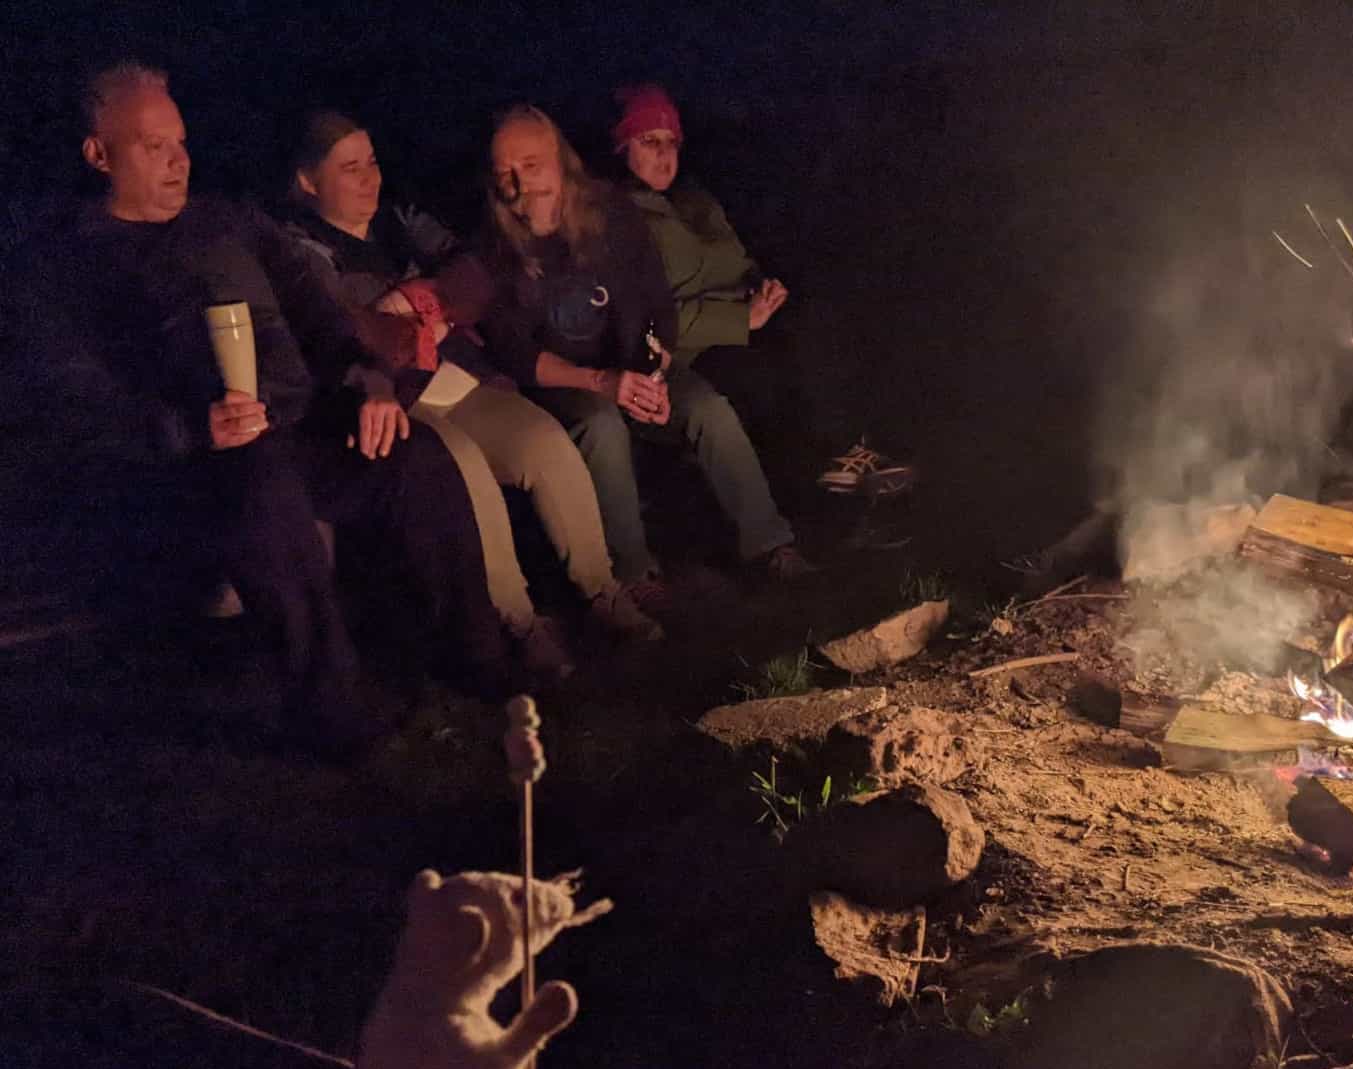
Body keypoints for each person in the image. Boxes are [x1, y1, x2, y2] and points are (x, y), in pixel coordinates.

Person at [37, 63, 516, 758]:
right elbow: (77, 397)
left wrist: (368, 384)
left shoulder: (228, 221)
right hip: (202, 458)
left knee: (414, 456)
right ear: (99, 154)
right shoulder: (72, 264)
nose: (180, 161)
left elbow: (322, 323)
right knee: (262, 492)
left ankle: (475, 654)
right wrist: (190, 428)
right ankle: (331, 709)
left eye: (182, 142)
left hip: (303, 426)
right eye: (155, 147)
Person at [281, 111, 662, 649]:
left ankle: (603, 591)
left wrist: (419, 298)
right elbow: (341, 331)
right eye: (350, 168)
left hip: (459, 377)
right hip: (392, 399)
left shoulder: (402, 220)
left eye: (371, 162)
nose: (370, 177)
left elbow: (475, 274)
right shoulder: (299, 252)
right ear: (307, 181)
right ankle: (519, 622)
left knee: (546, 444)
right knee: (465, 475)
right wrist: (400, 322)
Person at [440, 104, 813, 604]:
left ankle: (771, 545)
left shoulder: (611, 214)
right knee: (601, 424)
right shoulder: (494, 247)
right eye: (506, 170)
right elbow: (518, 354)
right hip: (566, 383)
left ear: (560, 161)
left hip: (634, 370)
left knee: (706, 409)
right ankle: (634, 574)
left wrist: (652, 372)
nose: (520, 183)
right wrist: (602, 383)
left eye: (531, 165)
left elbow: (658, 304)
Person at [612, 84, 915, 500]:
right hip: (687, 349)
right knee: (765, 375)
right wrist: (743, 318)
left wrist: (761, 285)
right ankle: (823, 475)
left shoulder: (693, 200)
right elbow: (650, 318)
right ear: (622, 147)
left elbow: (734, 262)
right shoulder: (618, 217)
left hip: (742, 315)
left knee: (821, 317)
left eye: (672, 143)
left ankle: (854, 452)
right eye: (650, 142)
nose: (665, 156)